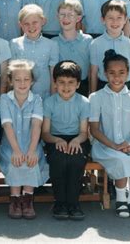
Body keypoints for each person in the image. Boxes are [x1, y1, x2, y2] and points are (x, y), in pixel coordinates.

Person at [90, 50, 130, 219]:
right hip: (103, 146)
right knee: (121, 159)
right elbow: (94, 129)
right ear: (104, 73)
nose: (117, 77)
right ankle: (122, 200)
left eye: (121, 72)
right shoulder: (96, 97)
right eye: (112, 73)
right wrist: (115, 146)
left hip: (128, 144)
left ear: (128, 73)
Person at [0, 60, 49, 220]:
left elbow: (36, 125)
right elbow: (7, 126)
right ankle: (14, 199)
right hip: (10, 145)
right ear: (10, 81)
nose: (22, 83)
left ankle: (27, 200)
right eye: (17, 79)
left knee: (31, 160)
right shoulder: (5, 99)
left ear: (32, 81)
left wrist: (32, 150)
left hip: (31, 144)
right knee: (16, 160)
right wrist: (17, 150)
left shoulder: (37, 100)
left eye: (26, 79)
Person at [41, 61, 90, 220]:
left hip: (78, 138)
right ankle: (60, 202)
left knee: (76, 161)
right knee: (59, 160)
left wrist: (77, 141)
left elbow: (84, 132)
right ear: (54, 83)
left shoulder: (83, 102)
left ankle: (74, 203)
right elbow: (45, 133)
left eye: (70, 82)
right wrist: (56, 140)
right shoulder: (49, 102)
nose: (66, 86)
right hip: (55, 139)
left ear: (78, 84)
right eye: (61, 82)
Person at [89, 0, 130, 93]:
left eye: (119, 17)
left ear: (125, 20)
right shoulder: (96, 44)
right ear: (103, 19)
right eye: (110, 18)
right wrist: (92, 95)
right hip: (103, 88)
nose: (115, 21)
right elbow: (93, 73)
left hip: (126, 88)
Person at [10, 4, 59, 99]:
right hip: (22, 96)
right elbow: (12, 73)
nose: (31, 27)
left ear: (43, 21)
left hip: (44, 95)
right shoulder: (14, 43)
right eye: (26, 24)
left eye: (34, 22)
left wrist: (53, 98)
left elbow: (53, 75)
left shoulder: (52, 45)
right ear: (20, 25)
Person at [52, 0, 93, 97]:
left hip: (82, 86)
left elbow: (91, 69)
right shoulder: (53, 42)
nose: (66, 18)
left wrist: (91, 91)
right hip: (62, 88)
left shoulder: (88, 40)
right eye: (62, 14)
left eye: (70, 15)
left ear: (78, 18)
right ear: (58, 17)